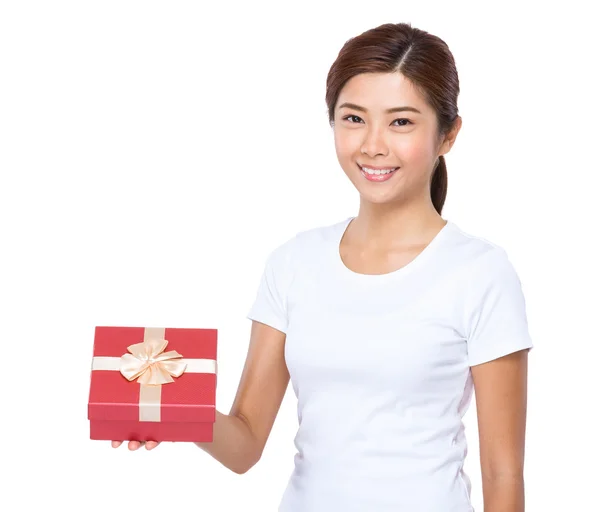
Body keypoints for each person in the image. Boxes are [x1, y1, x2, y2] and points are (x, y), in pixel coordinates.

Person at [113, 22, 534, 512]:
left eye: (401, 122)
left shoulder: (481, 273)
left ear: (448, 135)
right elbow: (245, 444)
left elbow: (502, 475)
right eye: (353, 118)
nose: (373, 145)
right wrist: (173, 412)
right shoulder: (293, 263)